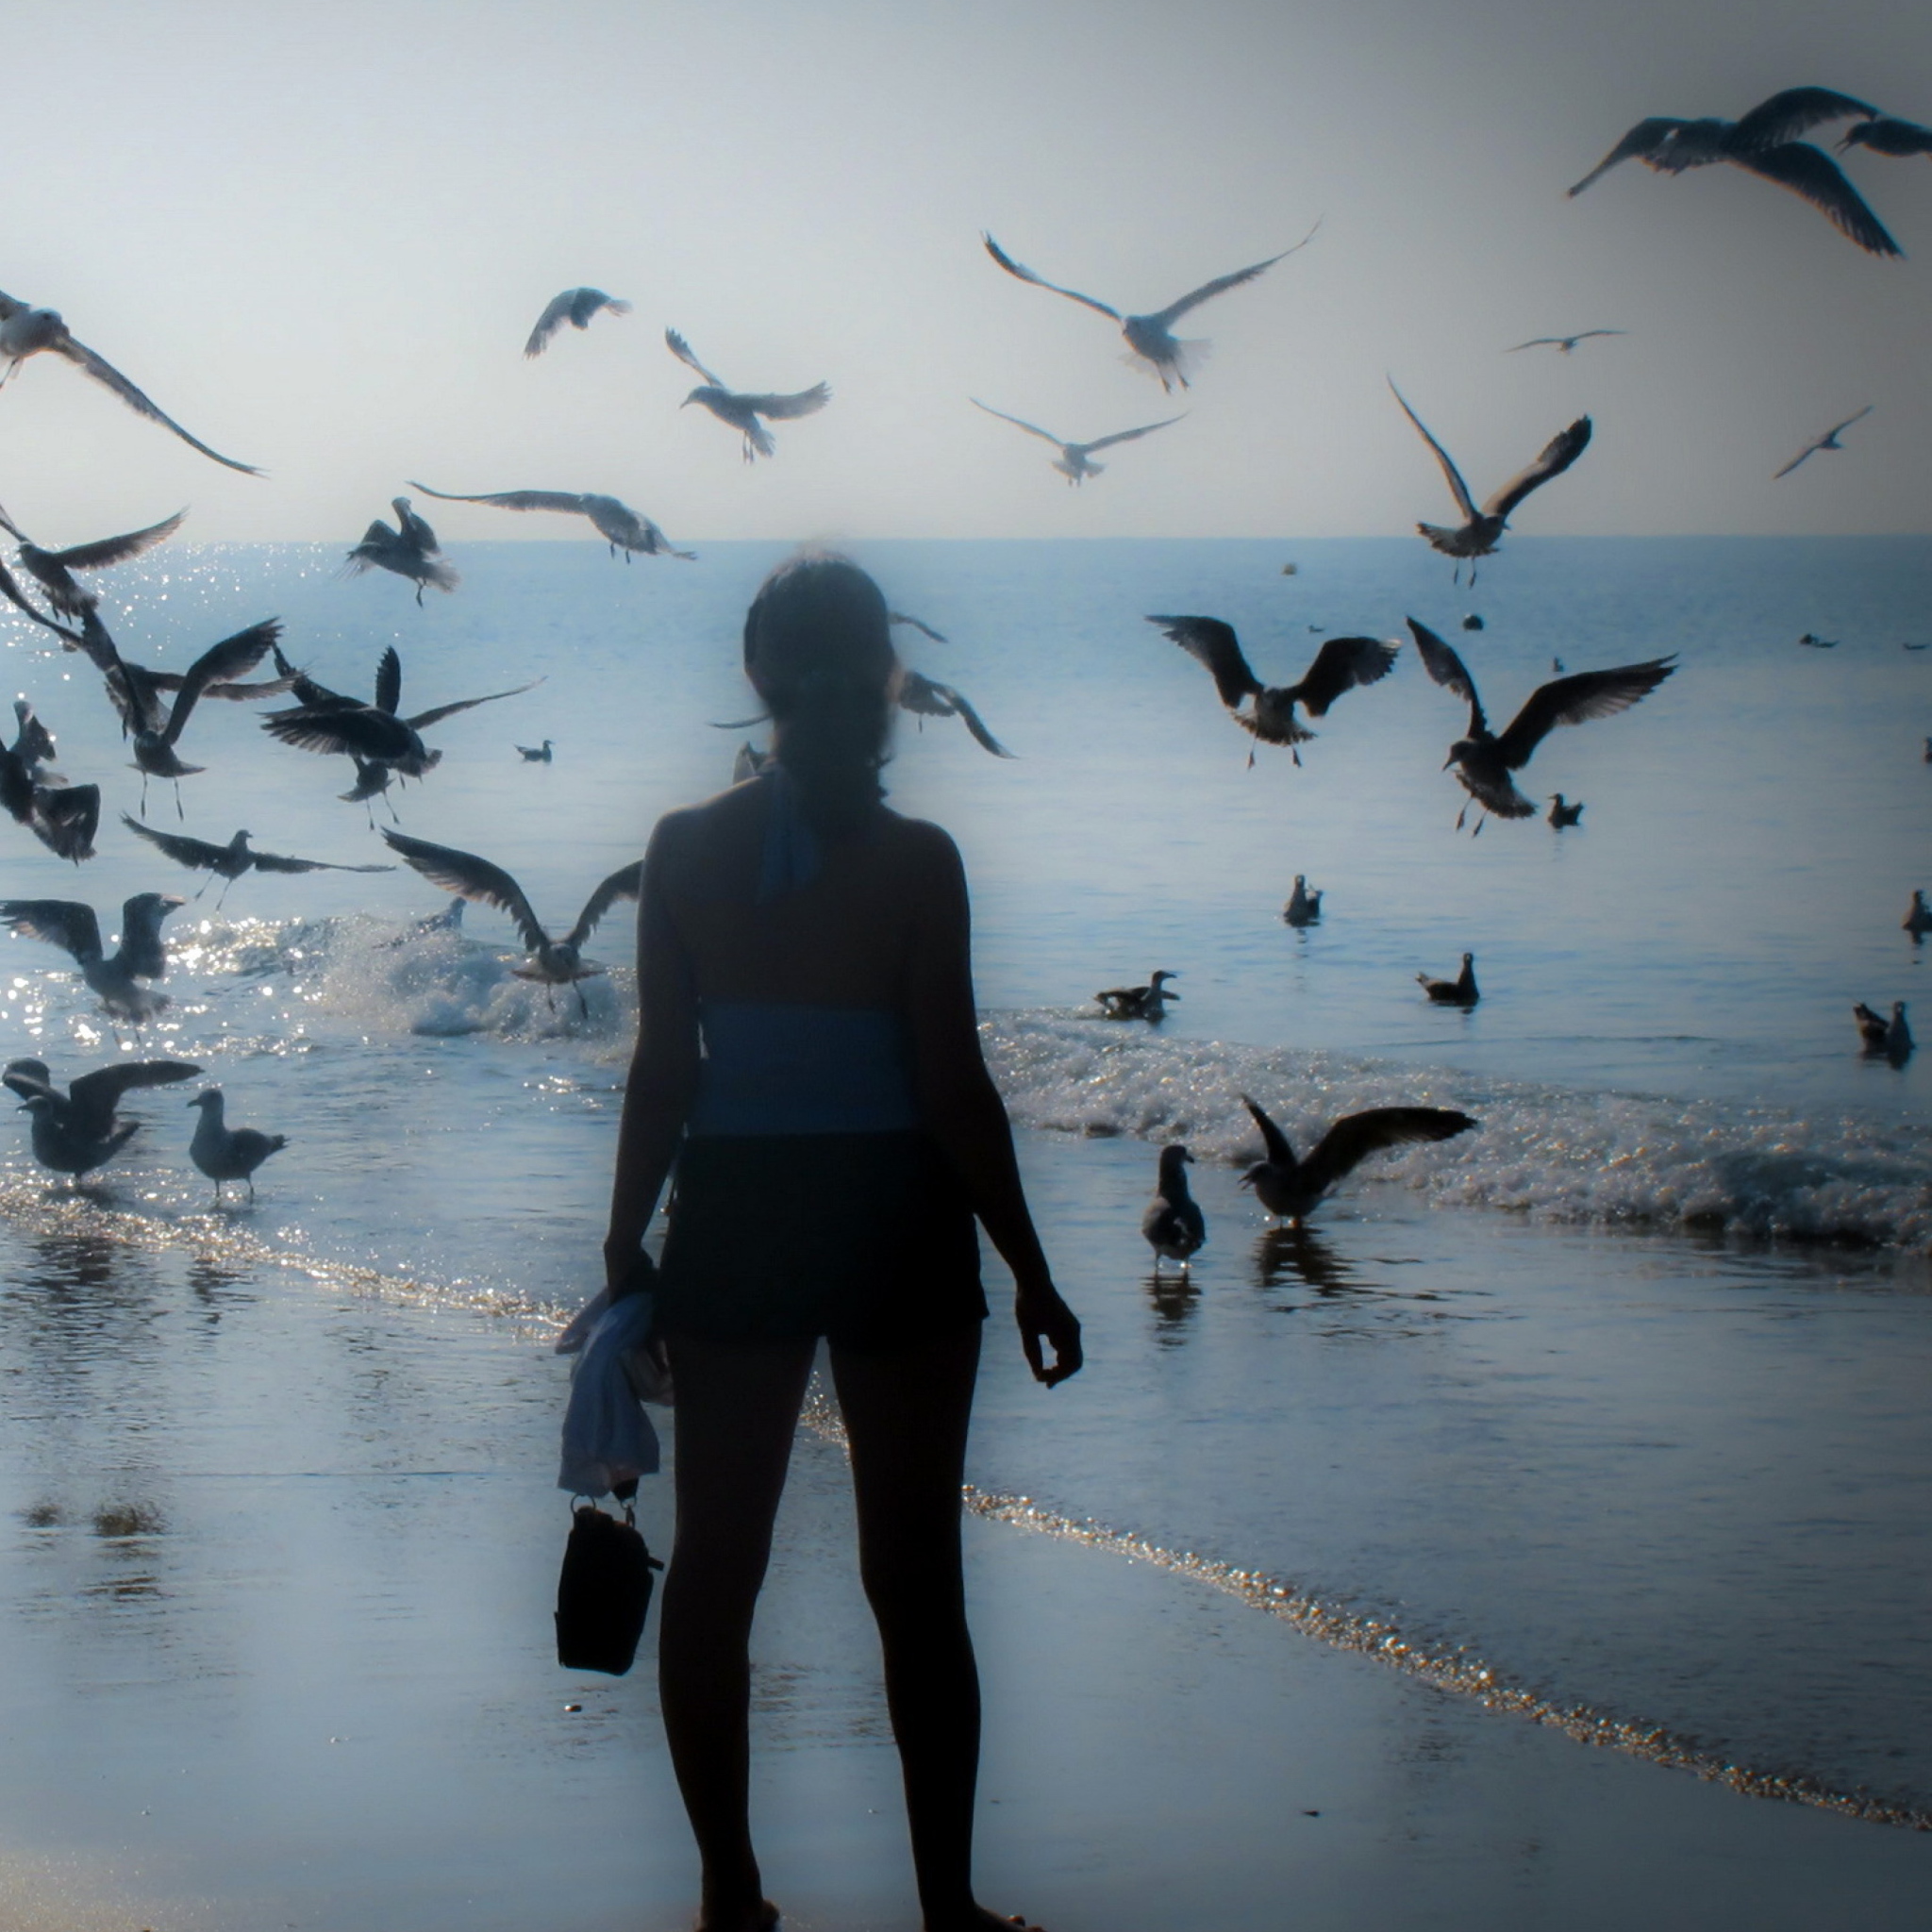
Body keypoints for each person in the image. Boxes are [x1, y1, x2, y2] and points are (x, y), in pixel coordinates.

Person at [603, 552, 1082, 1932]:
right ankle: (946, 1911)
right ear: (885, 680)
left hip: (740, 1221)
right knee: (916, 1578)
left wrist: (624, 1248)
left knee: (716, 1568)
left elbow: (663, 1075)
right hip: (894, 1217)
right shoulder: (920, 864)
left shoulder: (683, 850)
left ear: (756, 675)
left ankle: (729, 1898)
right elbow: (952, 1089)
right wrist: (1032, 1267)